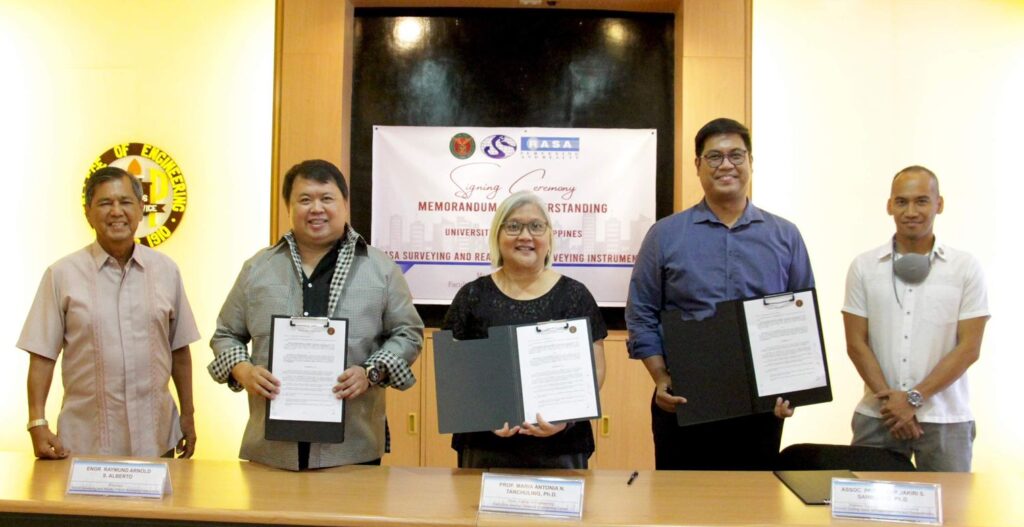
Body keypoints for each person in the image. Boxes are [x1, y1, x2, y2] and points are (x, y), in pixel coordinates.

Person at [208, 159, 423, 470]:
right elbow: (226, 334)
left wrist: (370, 372)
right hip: (272, 450)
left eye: (327, 198)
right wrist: (242, 370)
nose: (316, 208)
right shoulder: (257, 269)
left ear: (345, 204)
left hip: (353, 448)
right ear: (288, 206)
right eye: (305, 200)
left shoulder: (381, 269)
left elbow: (408, 333)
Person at [625, 117, 814, 470]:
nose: (726, 165)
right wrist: (660, 378)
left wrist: (793, 388)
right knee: (681, 509)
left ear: (751, 162)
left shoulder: (785, 236)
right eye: (714, 157)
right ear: (697, 166)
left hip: (760, 404)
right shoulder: (664, 235)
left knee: (751, 511)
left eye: (736, 155)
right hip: (683, 399)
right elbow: (641, 312)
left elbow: (801, 316)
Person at [18, 166, 200, 459]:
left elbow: (180, 350)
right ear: (88, 212)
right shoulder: (61, 274)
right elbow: (42, 356)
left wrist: (188, 416)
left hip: (156, 441)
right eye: (105, 203)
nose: (117, 211)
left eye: (125, 202)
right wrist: (37, 423)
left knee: (159, 506)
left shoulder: (167, 271)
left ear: (141, 210)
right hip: (85, 446)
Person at [441, 191, 607, 469]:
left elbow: (596, 369)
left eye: (536, 226)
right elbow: (453, 370)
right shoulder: (472, 295)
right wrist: (485, 415)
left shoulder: (575, 295)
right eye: (513, 226)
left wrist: (566, 418)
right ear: (497, 235)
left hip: (560, 444)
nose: (525, 236)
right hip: (485, 443)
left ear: (549, 238)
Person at [843, 166, 988, 472]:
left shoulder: (965, 267)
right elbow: (857, 343)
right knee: (867, 517)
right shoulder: (864, 266)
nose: (911, 211)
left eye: (921, 201)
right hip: (878, 416)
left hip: (945, 418)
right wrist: (893, 406)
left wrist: (912, 400)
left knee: (951, 516)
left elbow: (969, 347)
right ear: (889, 205)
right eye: (902, 201)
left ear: (939, 204)